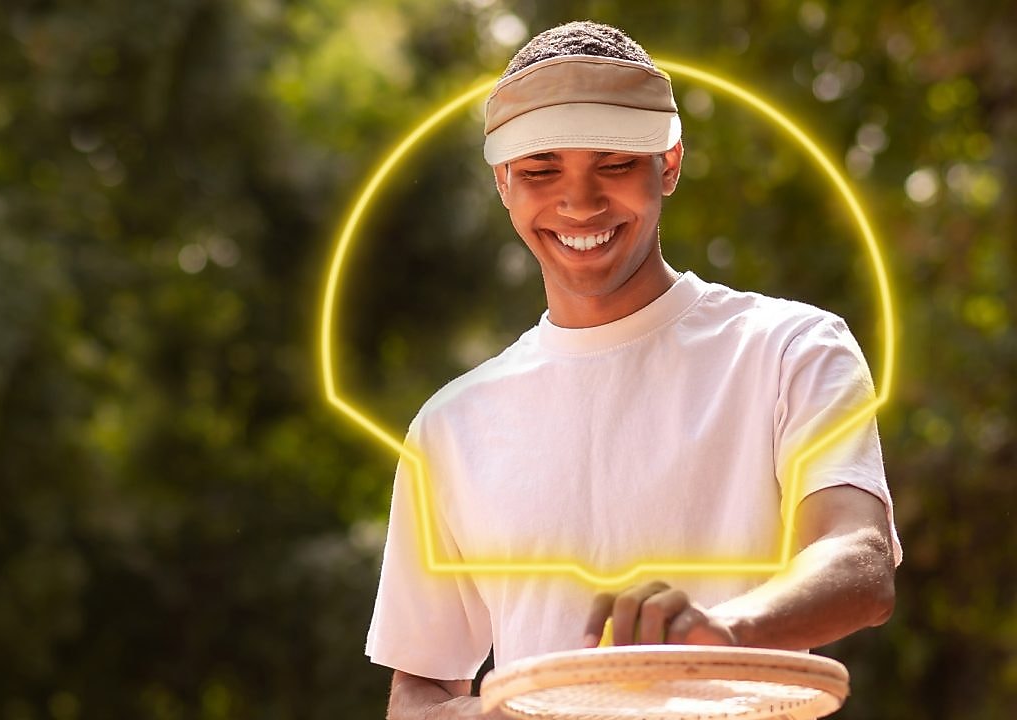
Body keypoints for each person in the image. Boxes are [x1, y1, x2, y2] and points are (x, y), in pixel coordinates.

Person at [364, 20, 901, 720]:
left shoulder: (790, 349)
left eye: (614, 165)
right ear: (503, 182)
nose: (579, 203)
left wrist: (723, 636)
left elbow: (859, 561)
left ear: (668, 164)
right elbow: (418, 691)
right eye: (540, 171)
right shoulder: (450, 428)